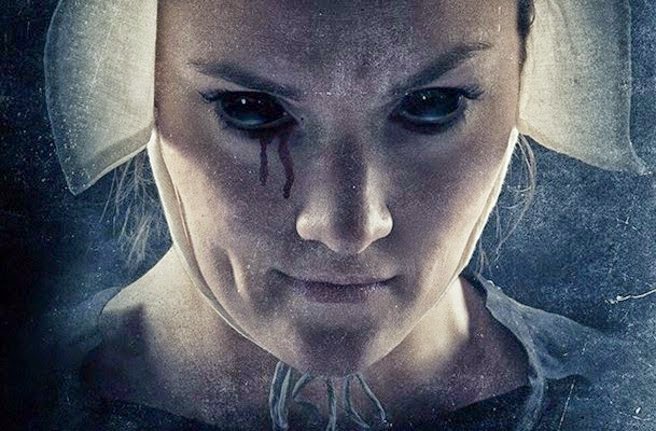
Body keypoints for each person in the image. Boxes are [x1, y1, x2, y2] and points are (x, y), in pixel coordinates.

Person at [37, 0, 650, 430]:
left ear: (528, 78)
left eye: (431, 104)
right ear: (138, 88)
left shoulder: (627, 403)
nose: (348, 228)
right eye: (251, 108)